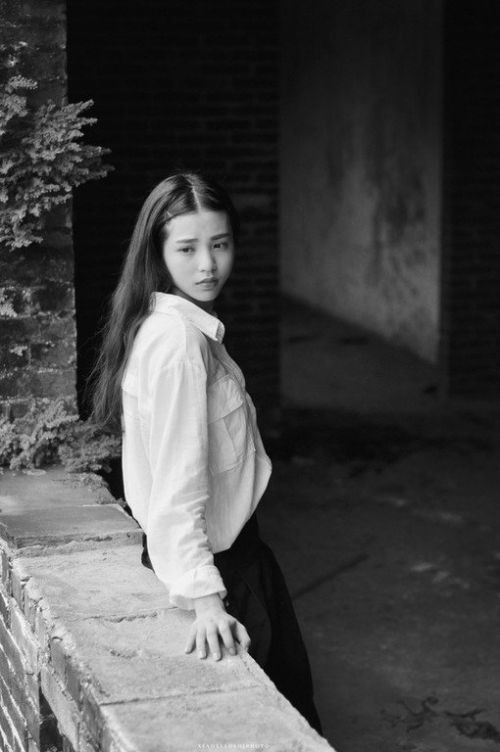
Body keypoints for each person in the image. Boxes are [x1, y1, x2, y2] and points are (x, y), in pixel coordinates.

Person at [91, 172, 322, 734]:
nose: (208, 265)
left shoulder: (176, 328)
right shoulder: (177, 345)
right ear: (157, 254)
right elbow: (178, 484)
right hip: (222, 574)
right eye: (188, 249)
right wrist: (207, 601)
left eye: (219, 244)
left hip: (235, 560)